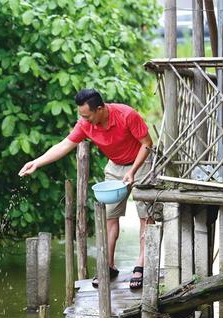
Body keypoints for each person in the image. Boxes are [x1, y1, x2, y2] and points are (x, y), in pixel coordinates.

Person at [18, 88, 154, 289]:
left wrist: (133, 171)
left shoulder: (126, 115)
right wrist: (36, 162)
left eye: (86, 115)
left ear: (100, 109)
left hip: (142, 163)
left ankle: (140, 266)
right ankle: (108, 266)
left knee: (145, 216)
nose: (84, 119)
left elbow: (147, 144)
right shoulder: (85, 124)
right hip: (115, 165)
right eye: (81, 115)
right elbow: (64, 145)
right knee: (110, 216)